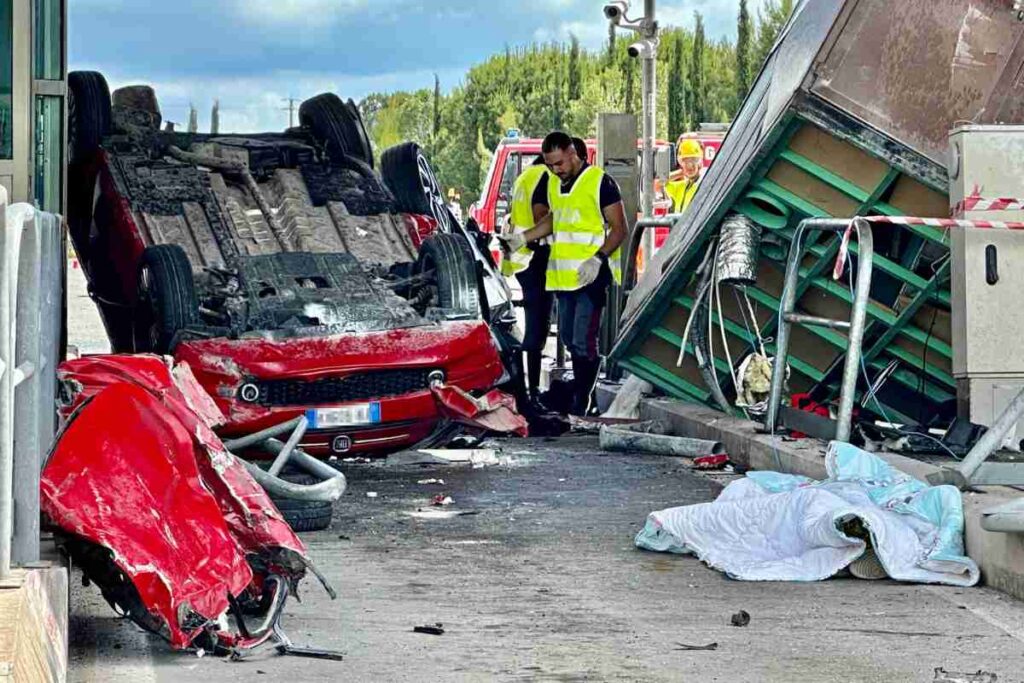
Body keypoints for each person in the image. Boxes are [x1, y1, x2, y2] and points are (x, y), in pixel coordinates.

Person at [499, 131, 627, 416]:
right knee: (569, 339)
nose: (554, 169)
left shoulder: (600, 182)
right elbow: (554, 220)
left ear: (573, 153)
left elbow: (620, 227)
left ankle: (583, 400)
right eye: (549, 164)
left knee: (583, 340)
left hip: (591, 276)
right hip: (563, 277)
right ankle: (580, 396)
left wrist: (598, 258)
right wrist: (523, 238)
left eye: (558, 163)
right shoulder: (554, 185)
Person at [499, 156, 552, 405]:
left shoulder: (524, 177)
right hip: (535, 258)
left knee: (534, 325)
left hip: (521, 260)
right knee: (536, 330)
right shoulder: (545, 176)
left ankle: (528, 390)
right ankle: (530, 393)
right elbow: (541, 213)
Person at [664, 137, 704, 213]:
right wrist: (681, 172)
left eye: (693, 160)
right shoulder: (682, 187)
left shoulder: (704, 185)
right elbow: (659, 183)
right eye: (685, 161)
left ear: (700, 162)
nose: (689, 165)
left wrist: (684, 169)